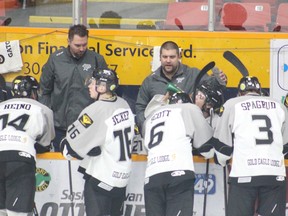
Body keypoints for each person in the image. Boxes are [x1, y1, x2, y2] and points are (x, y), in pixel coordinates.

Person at [60, 69, 135, 216]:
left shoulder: (95, 110)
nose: (88, 86)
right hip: (122, 180)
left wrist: (69, 144)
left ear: (101, 87)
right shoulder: (124, 103)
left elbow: (69, 149)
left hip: (102, 179)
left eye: (92, 82)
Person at [212, 76, 288, 216]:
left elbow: (223, 149)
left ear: (240, 92)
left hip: (244, 174)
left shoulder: (232, 104)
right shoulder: (279, 106)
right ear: (259, 91)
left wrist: (221, 159)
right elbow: (285, 146)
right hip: (274, 175)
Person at [142, 92, 214, 216]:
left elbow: (146, 148)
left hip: (152, 176)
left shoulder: (150, 116)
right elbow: (208, 149)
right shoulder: (189, 108)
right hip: (178, 173)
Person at [39, 24, 108, 151]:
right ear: (69, 41)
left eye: (84, 44)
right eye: (77, 45)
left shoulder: (97, 60)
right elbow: (44, 91)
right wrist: (47, 120)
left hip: (88, 127)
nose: (82, 49)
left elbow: (106, 94)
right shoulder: (55, 59)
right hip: (60, 128)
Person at [135, 40, 227, 135]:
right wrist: (145, 128)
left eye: (172, 57)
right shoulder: (150, 81)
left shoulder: (192, 74)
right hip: (161, 134)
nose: (168, 60)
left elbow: (212, 88)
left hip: (188, 133)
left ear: (179, 56)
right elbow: (140, 107)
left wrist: (219, 81)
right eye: (165, 57)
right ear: (160, 58)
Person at [0, 75, 55, 216]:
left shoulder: (1, 106)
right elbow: (45, 143)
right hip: (20, 160)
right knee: (17, 213)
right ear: (33, 92)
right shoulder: (42, 109)